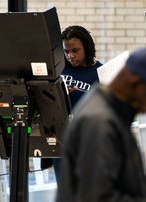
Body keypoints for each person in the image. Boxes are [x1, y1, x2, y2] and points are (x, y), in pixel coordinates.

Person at [57, 47, 146, 202]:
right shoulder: (99, 122)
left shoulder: (109, 110)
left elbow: (113, 179)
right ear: (135, 82)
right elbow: (97, 198)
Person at [43, 25, 103, 184]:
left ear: (87, 48)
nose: (70, 56)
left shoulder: (101, 73)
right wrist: (60, 96)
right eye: (66, 52)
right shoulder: (59, 70)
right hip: (63, 142)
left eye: (76, 51)